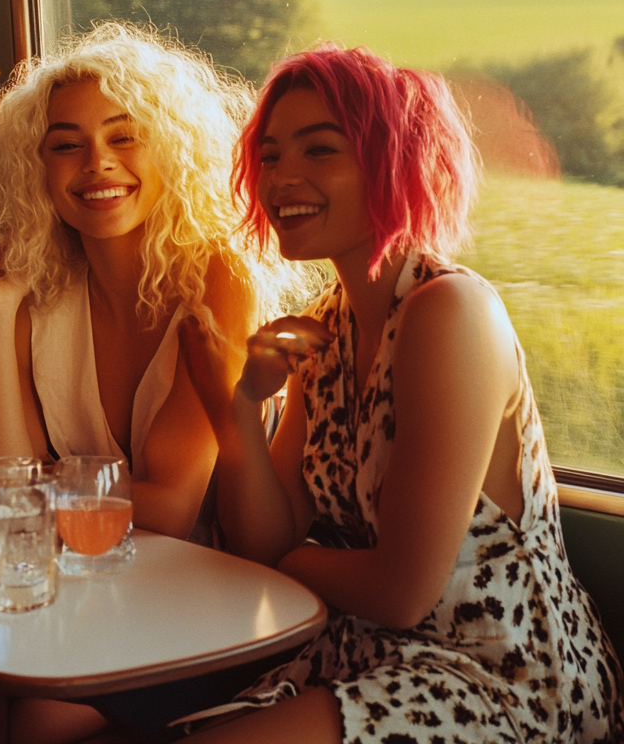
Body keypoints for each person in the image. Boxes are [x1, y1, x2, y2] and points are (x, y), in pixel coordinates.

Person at [163, 44, 624, 743]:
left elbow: (402, 590)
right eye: (270, 155)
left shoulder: (449, 313)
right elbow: (265, 533)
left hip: (507, 679)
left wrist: (286, 563)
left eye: (320, 151)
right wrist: (240, 404)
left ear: (392, 163)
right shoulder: (326, 327)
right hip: (371, 655)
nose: (282, 176)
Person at [0, 24, 305, 744]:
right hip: (92, 601)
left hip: (214, 607)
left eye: (124, 136)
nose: (97, 164)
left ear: (171, 148)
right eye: (65, 144)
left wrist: (37, 483)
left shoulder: (220, 280)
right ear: (36, 165)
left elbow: (171, 510)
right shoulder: (33, 282)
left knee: (34, 719)